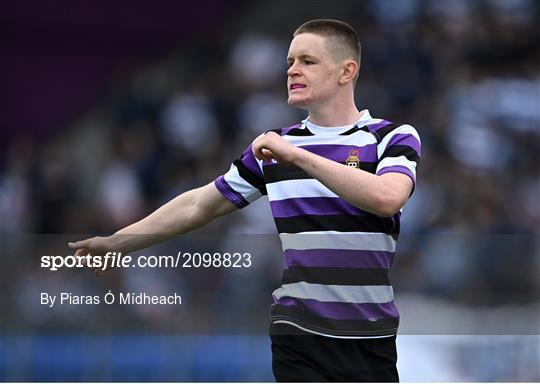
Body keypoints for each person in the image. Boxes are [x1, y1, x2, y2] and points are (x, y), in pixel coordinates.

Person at [69, 19, 421, 382]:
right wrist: (118, 242)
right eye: (290, 62)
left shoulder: (390, 137)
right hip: (299, 332)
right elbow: (199, 205)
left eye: (308, 61)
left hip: (370, 335)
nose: (293, 70)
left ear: (347, 71)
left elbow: (387, 197)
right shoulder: (275, 147)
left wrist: (298, 157)